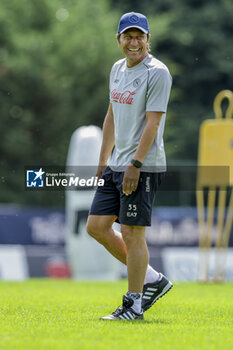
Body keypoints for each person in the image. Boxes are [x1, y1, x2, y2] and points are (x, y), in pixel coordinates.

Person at [86, 12, 173, 320]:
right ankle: (152, 279)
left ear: (148, 39)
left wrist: (135, 164)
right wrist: (103, 159)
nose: (134, 42)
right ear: (119, 39)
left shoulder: (157, 72)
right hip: (117, 162)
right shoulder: (117, 69)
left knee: (132, 232)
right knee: (96, 227)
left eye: (140, 36)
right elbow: (111, 115)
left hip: (143, 164)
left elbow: (153, 123)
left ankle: (133, 305)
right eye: (128, 36)